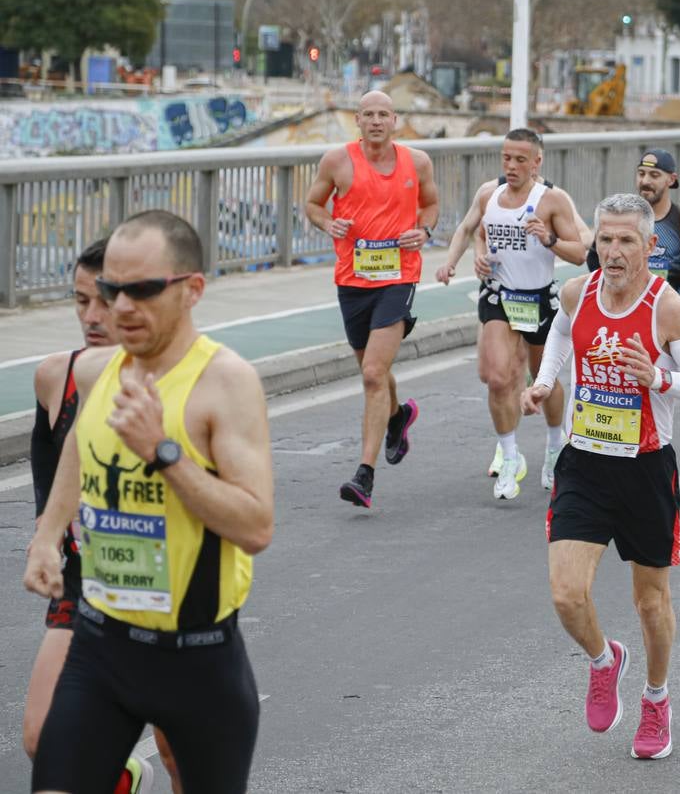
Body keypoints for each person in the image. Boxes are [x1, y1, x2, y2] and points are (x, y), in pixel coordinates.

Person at [24, 209, 274, 793]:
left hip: (196, 659)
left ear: (192, 290)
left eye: (142, 290)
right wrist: (46, 534)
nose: (121, 308)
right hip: (100, 647)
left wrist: (163, 452)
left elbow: (256, 526)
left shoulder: (225, 383)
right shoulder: (99, 370)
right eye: (112, 290)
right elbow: (82, 448)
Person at [521, 193, 680, 761]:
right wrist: (544, 381)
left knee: (651, 603)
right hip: (584, 463)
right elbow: (560, 334)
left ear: (651, 246)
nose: (612, 250)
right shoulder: (577, 293)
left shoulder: (667, 307)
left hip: (645, 470)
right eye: (604, 239)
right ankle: (605, 661)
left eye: (625, 240)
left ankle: (656, 699)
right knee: (565, 595)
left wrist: (657, 377)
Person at [21, 241, 161, 794]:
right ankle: (125, 778)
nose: (92, 317)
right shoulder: (55, 376)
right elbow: (48, 477)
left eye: (104, 301)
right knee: (42, 738)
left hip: (160, 585)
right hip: (83, 584)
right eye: (81, 301)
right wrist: (46, 542)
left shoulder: (177, 382)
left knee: (183, 753)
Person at [304, 90, 439, 507]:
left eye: (384, 114)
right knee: (372, 368)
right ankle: (398, 416)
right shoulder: (337, 161)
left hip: (400, 275)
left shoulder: (417, 162)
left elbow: (430, 204)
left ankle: (364, 474)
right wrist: (329, 223)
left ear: (394, 120)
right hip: (353, 277)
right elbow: (312, 204)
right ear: (357, 121)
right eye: (369, 115)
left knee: (372, 373)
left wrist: (425, 231)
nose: (377, 121)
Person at [435, 128, 586, 498]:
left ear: (537, 162)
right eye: (507, 158)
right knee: (499, 379)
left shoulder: (551, 201)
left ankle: (554, 447)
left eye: (521, 159)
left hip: (538, 298)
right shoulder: (489, 194)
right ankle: (509, 456)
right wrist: (461, 260)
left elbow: (580, 252)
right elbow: (472, 228)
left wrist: (548, 239)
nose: (512, 165)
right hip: (499, 295)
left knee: (542, 378)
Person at [585, 149, 680, 298]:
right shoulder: (619, 219)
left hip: (664, 310)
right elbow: (593, 258)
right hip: (622, 305)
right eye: (641, 173)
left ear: (671, 180)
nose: (645, 181)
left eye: (654, 175)